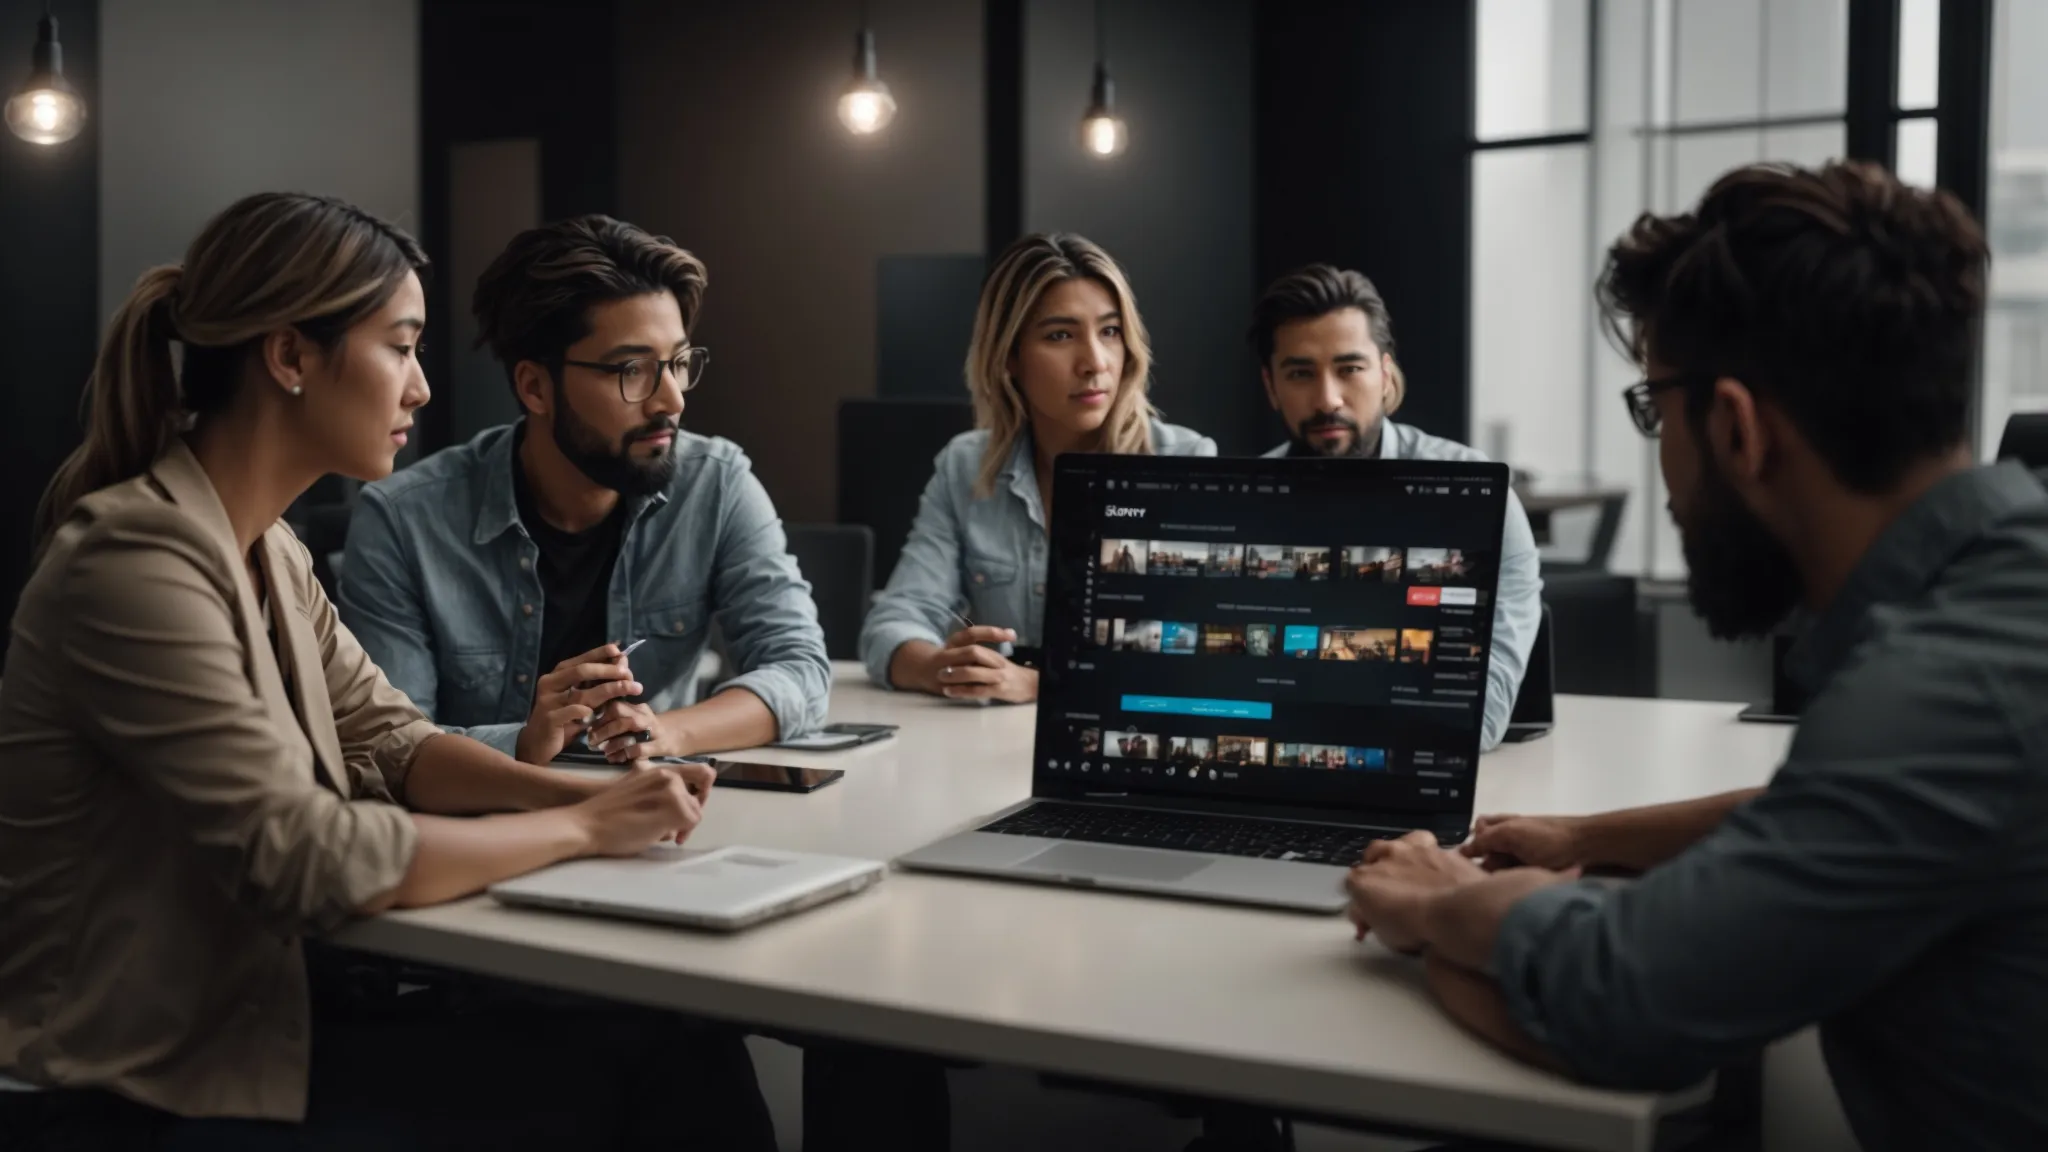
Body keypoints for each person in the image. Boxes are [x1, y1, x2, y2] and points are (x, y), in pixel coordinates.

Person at [0, 193, 773, 1149]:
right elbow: (309, 856)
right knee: (644, 1066)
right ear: (289, 358)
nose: (422, 390)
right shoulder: (135, 561)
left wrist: (597, 799)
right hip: (142, 1087)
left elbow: (390, 739)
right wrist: (579, 823)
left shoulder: (266, 547)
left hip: (268, 1028)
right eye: (400, 347)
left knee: (674, 1034)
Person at [1344, 161, 2048, 1151]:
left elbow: (1625, 1010)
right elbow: (1833, 804)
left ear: (1733, 426)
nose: (1663, 462)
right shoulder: (1999, 604)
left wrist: (1448, 908)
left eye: (1654, 410)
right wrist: (1585, 834)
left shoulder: (1940, 690)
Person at [339, 216, 830, 766]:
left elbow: (801, 669)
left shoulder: (715, 483)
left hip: (657, 814)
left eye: (678, 364)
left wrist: (668, 733)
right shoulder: (404, 521)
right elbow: (392, 746)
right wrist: (522, 744)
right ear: (534, 386)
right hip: (487, 825)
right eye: (632, 370)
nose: (672, 400)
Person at [860, 233, 1216, 703]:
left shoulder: (1185, 464)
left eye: (1109, 331)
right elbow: (895, 619)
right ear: (1010, 357)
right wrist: (942, 667)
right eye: (1060, 335)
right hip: (991, 744)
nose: (1094, 362)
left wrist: (1041, 683)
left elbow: (1197, 648)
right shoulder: (964, 466)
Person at [1249, 266, 1540, 751]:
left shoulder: (1477, 499)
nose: (1328, 399)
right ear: (1271, 386)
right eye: (1301, 373)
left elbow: (1476, 717)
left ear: (1385, 375)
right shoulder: (1244, 502)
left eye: (1350, 368)